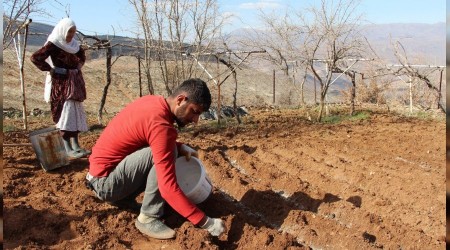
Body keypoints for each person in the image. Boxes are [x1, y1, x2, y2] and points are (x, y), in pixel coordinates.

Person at [86, 78, 226, 239]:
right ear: (181, 100)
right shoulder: (162, 126)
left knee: (170, 148)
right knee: (167, 152)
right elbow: (167, 187)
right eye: (194, 112)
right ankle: (148, 217)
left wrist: (180, 147)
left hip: (100, 176)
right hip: (105, 184)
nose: (195, 120)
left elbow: (149, 136)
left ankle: (123, 198)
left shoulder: (152, 101)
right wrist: (206, 222)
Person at [30, 17, 90, 159]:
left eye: (73, 32)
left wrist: (77, 67)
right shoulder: (54, 43)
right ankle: (66, 145)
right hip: (61, 85)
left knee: (75, 113)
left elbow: (82, 57)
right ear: (63, 30)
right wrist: (50, 69)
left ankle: (75, 145)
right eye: (69, 32)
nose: (71, 35)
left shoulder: (75, 45)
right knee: (66, 114)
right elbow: (35, 57)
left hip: (75, 84)